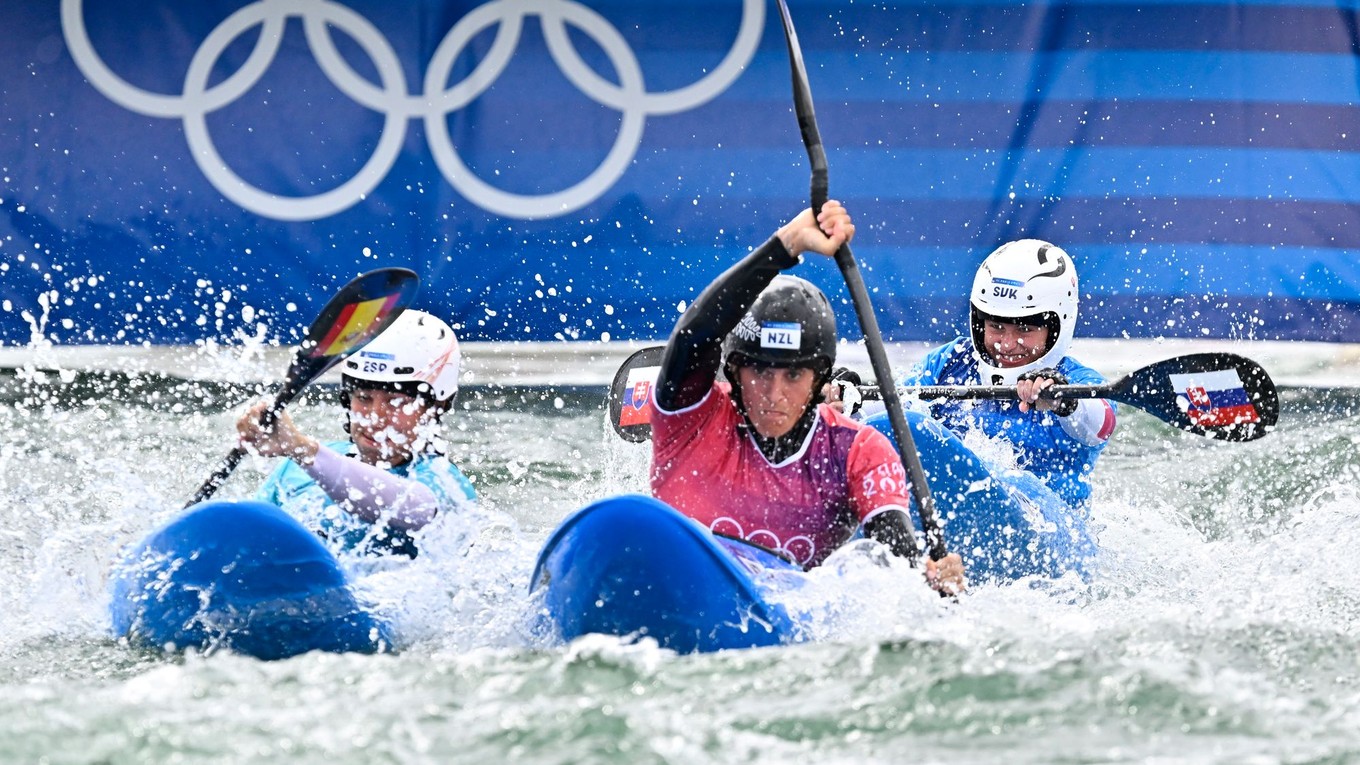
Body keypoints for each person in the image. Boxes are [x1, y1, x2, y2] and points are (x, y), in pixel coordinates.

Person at [648, 200, 965, 594]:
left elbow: (894, 564)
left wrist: (928, 586)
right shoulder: (691, 415)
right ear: (733, 370)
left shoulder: (857, 450)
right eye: (760, 370)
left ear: (819, 380)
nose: (773, 393)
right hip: (667, 583)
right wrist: (786, 244)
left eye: (794, 374)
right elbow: (693, 338)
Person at [886, 239, 1116, 509]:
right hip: (952, 509)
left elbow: (1102, 424)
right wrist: (848, 402)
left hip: (1049, 527)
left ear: (1057, 327)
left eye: (1025, 330)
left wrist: (1062, 402)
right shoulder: (950, 361)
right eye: (996, 326)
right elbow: (893, 409)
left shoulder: (1080, 382)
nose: (1006, 345)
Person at [236, 309, 476, 558]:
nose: (375, 417)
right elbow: (247, 538)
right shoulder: (295, 468)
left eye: (395, 401)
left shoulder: (446, 483)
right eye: (363, 397)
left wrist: (303, 450)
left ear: (437, 406)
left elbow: (412, 507)